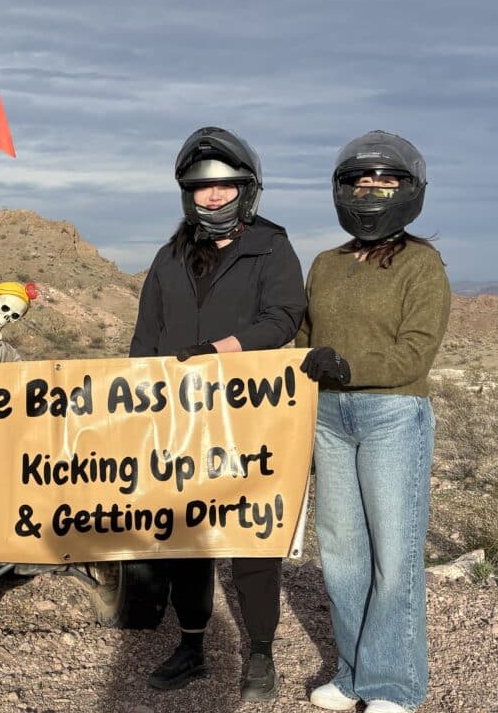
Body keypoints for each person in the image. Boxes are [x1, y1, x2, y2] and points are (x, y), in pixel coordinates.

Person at [130, 126, 306, 700]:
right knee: (187, 535)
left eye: (225, 186)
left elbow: (282, 318)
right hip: (177, 418)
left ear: (245, 191)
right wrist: (137, 401)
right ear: (188, 193)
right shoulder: (170, 254)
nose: (213, 196)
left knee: (252, 537)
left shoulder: (272, 247)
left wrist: (221, 351)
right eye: (203, 188)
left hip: (247, 417)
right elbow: (145, 337)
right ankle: (191, 644)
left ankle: (259, 653)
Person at [297, 131, 450, 713]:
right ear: (343, 189)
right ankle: (353, 674)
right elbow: (304, 342)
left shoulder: (422, 264)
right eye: (362, 180)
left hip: (393, 413)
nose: (373, 190)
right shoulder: (325, 264)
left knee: (395, 553)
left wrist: (348, 365)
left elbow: (416, 352)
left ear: (409, 190)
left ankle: (394, 686)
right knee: (341, 552)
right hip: (329, 417)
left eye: (386, 180)